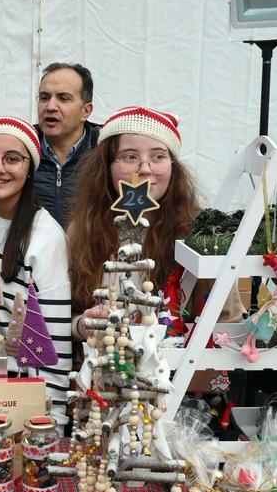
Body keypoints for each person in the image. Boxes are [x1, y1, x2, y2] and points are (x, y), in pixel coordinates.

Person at [67, 106, 244, 343]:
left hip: (178, 373)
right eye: (130, 156)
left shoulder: (199, 234)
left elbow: (228, 321)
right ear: (106, 166)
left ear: (173, 165)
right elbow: (62, 316)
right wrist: (82, 325)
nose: (145, 169)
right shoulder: (83, 230)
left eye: (158, 156)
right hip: (103, 368)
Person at [0, 117, 73, 416]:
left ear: (30, 168)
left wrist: (50, 423)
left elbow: (54, 344)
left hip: (19, 404)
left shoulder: (45, 238)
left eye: (12, 159)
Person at [34, 63, 102, 228]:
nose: (50, 107)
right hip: (32, 252)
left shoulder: (105, 151)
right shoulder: (21, 149)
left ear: (86, 111)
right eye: (44, 97)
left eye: (63, 98)